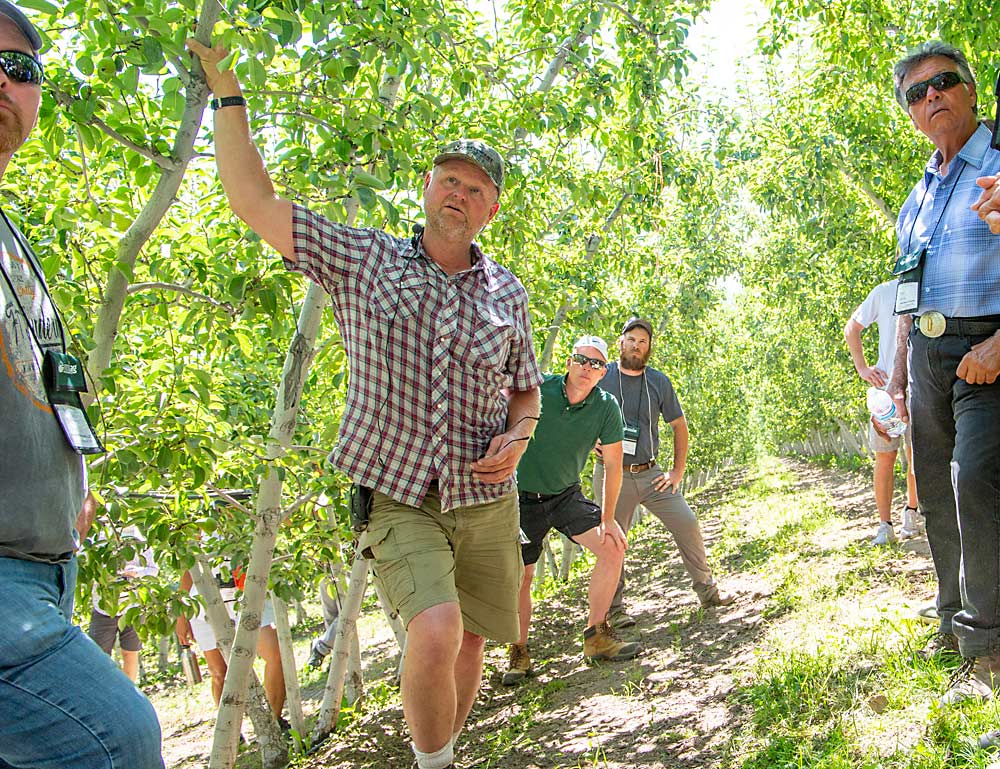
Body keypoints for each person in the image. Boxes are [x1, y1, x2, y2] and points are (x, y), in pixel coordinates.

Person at [185, 39, 542, 769]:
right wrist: (228, 96)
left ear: (492, 209)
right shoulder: (365, 257)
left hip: (487, 496)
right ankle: (433, 763)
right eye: (449, 180)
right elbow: (255, 202)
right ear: (426, 186)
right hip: (400, 492)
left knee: (473, 638)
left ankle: (439, 753)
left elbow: (526, 386)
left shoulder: (509, 292)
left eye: (476, 190)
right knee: (436, 629)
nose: (459, 196)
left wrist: (522, 433)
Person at [0, 4, 163, 766]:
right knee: (118, 736)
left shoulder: (14, 240)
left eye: (20, 68)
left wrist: (74, 477)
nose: (4, 79)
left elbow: (44, 383)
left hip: (47, 566)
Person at [882, 41, 1000, 704]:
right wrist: (898, 366)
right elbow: (906, 286)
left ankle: (989, 649)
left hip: (986, 348)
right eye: (916, 93)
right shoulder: (917, 193)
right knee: (934, 488)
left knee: (974, 478)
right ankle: (952, 617)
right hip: (926, 355)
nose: (931, 96)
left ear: (971, 89)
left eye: (943, 82)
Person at [503, 335, 639, 685]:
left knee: (613, 546)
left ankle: (596, 635)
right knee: (524, 576)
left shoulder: (606, 407)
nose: (587, 368)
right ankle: (518, 652)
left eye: (595, 364)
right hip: (520, 499)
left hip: (565, 496)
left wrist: (608, 519)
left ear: (603, 372)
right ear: (569, 362)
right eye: (581, 359)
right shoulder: (538, 388)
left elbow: (612, 465)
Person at [592, 317, 733, 630]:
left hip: (651, 474)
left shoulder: (658, 381)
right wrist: (590, 443)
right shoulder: (601, 376)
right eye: (631, 339)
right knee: (612, 541)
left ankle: (707, 592)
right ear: (620, 342)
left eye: (643, 342)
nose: (636, 346)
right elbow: (577, 412)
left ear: (649, 348)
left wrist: (677, 471)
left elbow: (679, 427)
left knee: (688, 522)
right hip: (612, 473)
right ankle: (615, 610)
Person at [844, 279, 921, 545]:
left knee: (917, 458)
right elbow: (852, 328)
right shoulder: (885, 292)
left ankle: (911, 514)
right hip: (887, 392)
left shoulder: (932, 285)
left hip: (922, 386)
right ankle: (884, 525)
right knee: (885, 457)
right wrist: (862, 368)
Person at [175, 567, 288, 723]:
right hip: (205, 604)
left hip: (246, 595)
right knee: (220, 672)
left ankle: (274, 724)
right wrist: (181, 615)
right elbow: (188, 567)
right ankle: (231, 733)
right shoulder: (193, 541)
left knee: (275, 654)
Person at [87, 524, 160, 682]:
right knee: (98, 656)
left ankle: (130, 691)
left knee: (130, 652)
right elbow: (89, 569)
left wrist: (136, 572)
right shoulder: (97, 539)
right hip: (104, 607)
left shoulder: (139, 540)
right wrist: (110, 573)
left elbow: (153, 570)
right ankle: (104, 693)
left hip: (132, 607)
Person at [306, 574, 341, 670]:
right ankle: (323, 648)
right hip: (331, 568)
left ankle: (336, 658)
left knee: (334, 615)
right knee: (345, 613)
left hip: (327, 567)